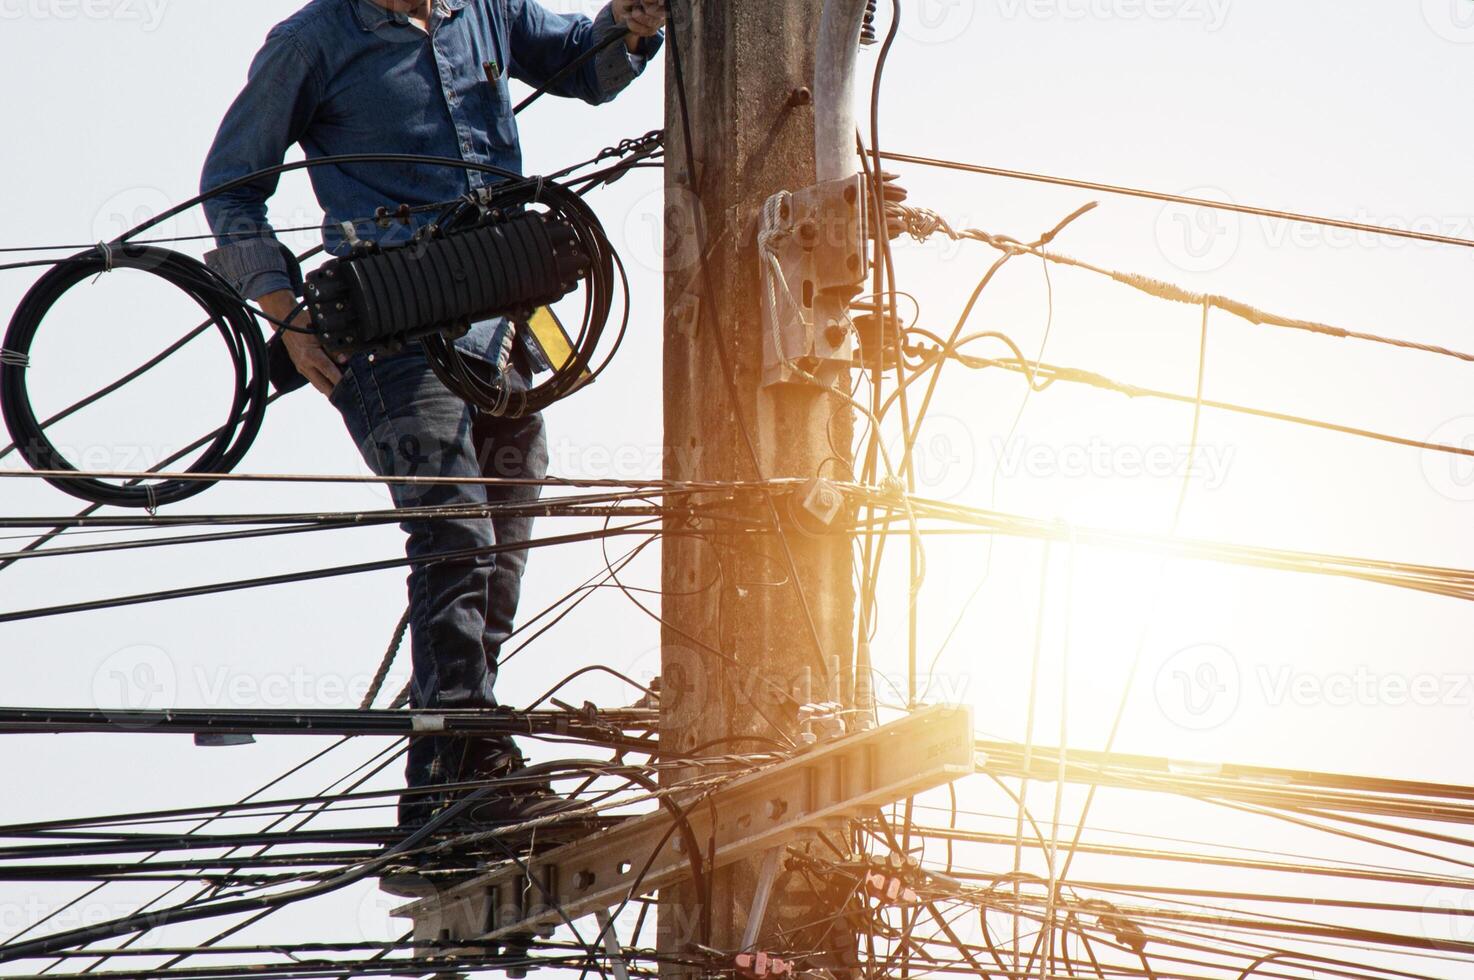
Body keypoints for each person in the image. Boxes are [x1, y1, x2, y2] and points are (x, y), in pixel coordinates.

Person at [199, 0, 665, 842]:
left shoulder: (485, 9)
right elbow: (233, 187)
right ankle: (469, 764)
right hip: (391, 340)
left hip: (501, 331)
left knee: (506, 543)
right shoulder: (313, 43)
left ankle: (448, 779)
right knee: (455, 536)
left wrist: (630, 26)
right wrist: (285, 313)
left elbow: (582, 67)